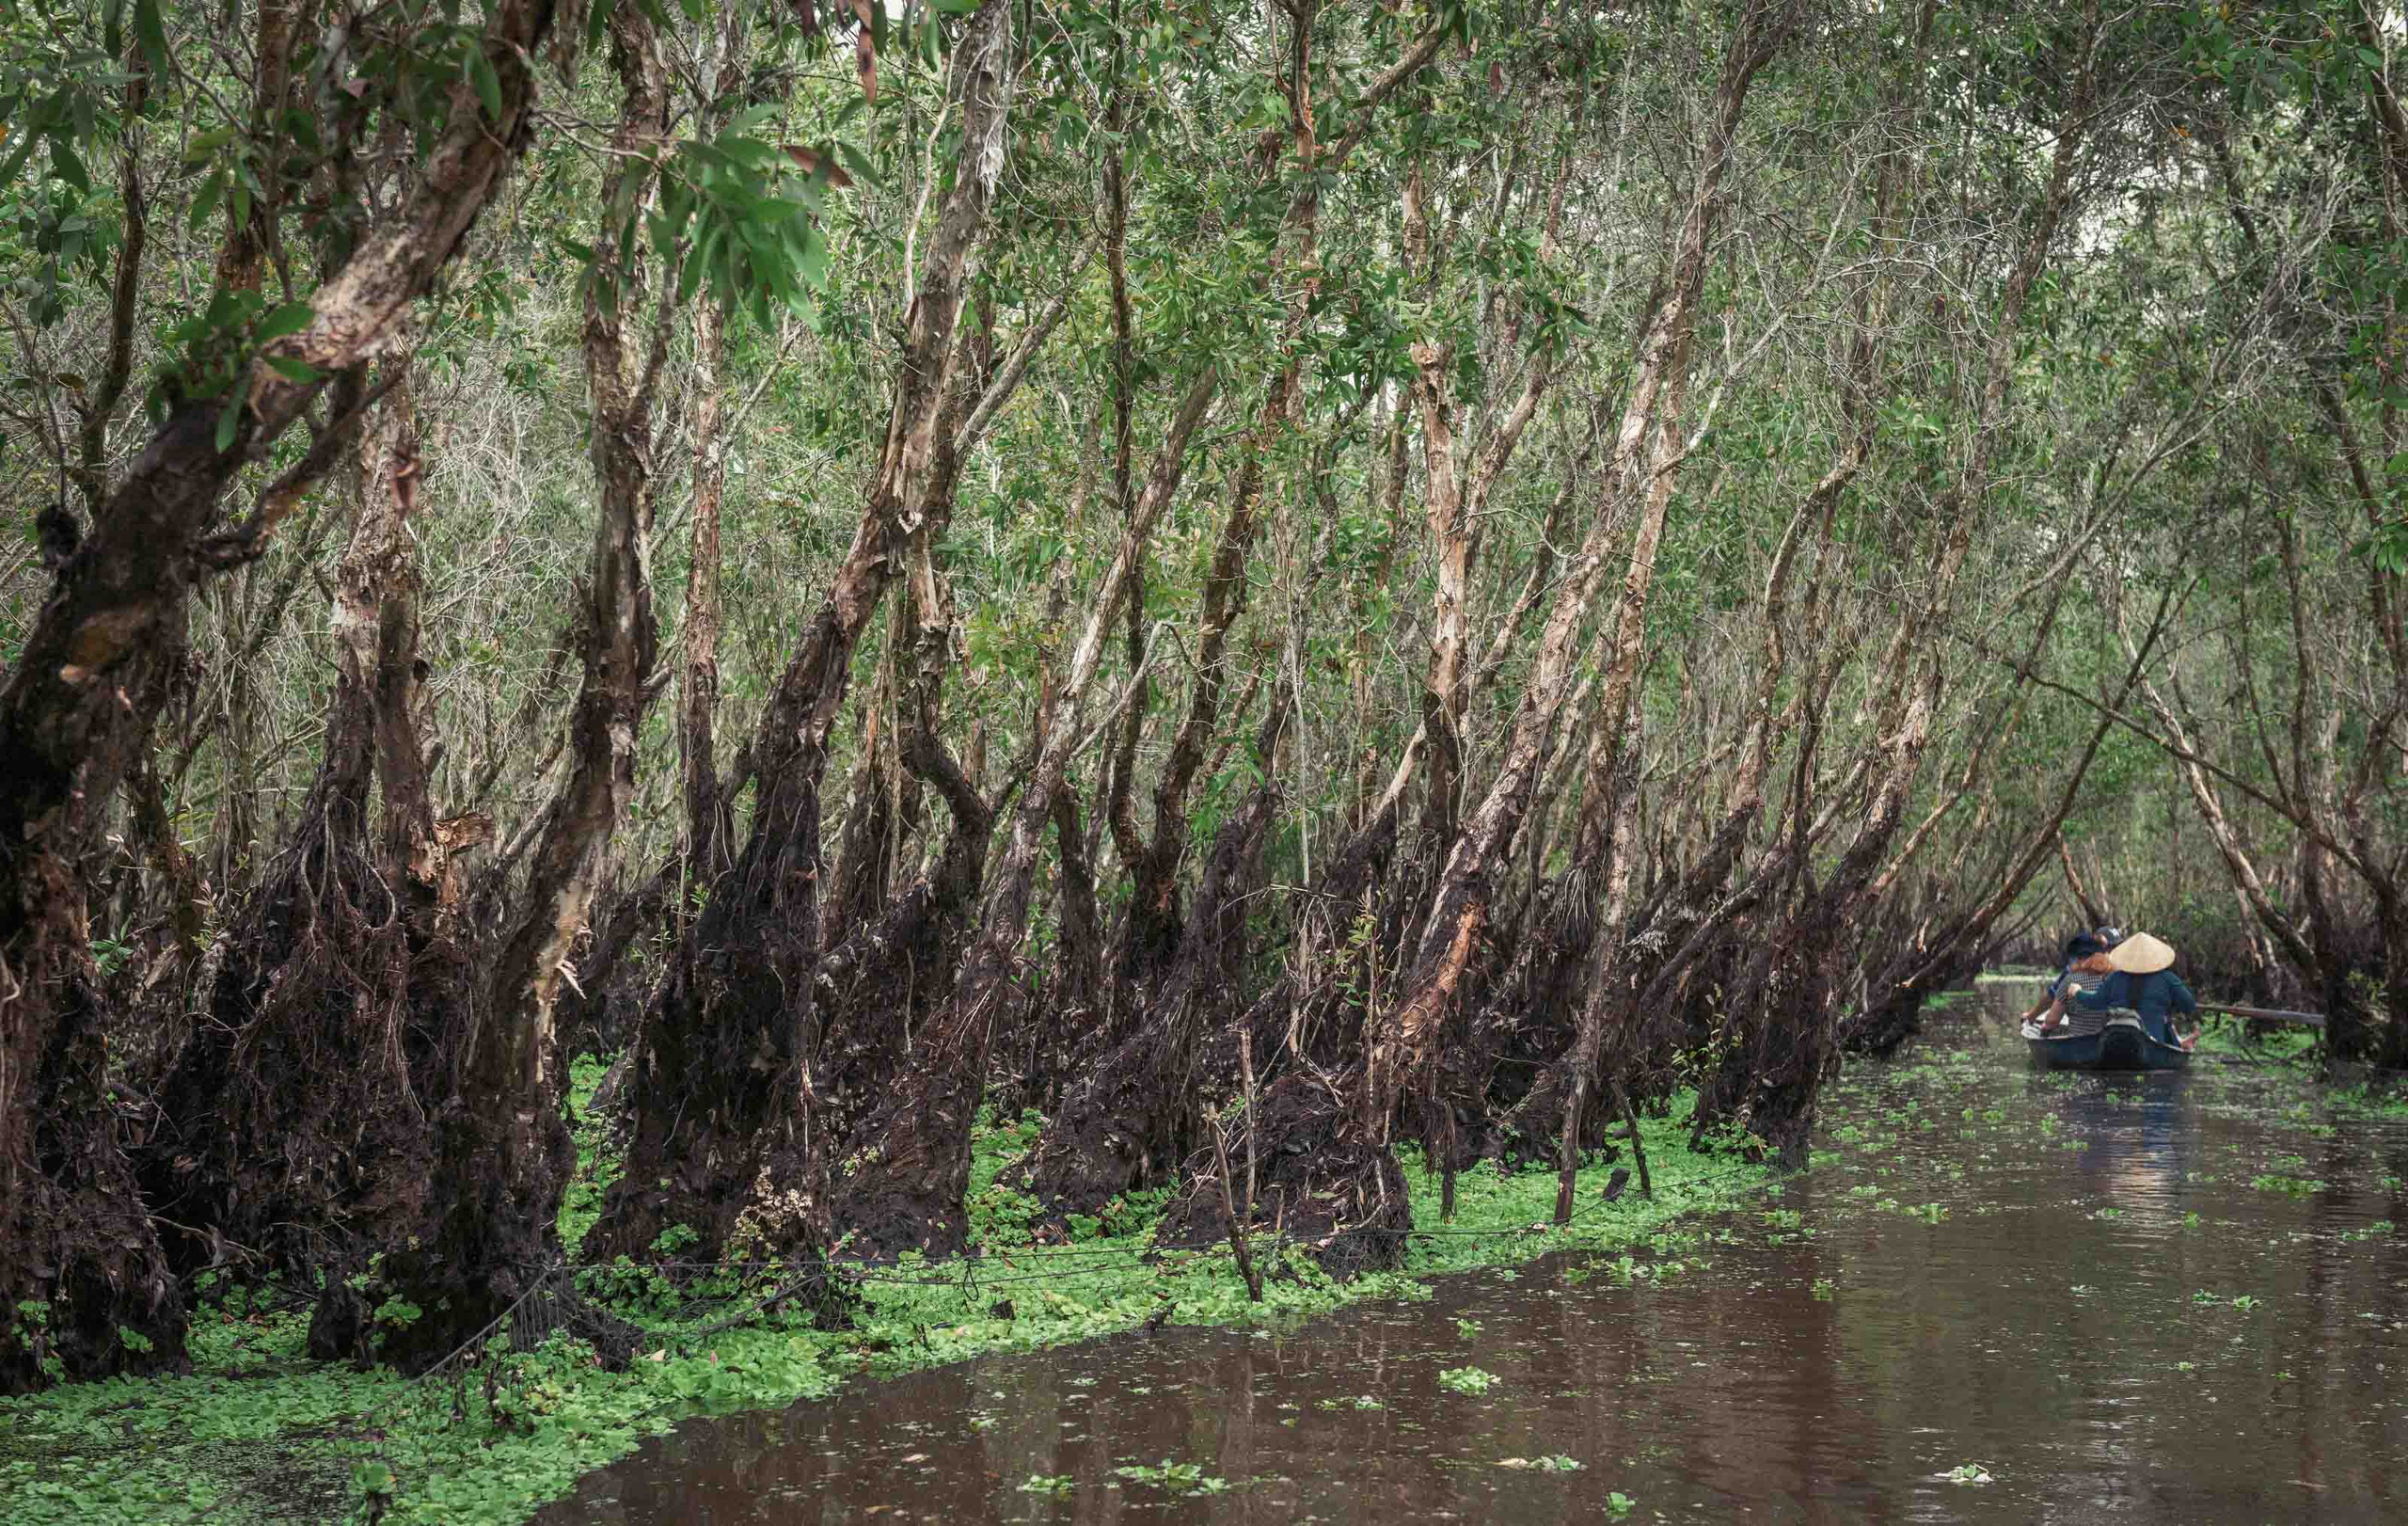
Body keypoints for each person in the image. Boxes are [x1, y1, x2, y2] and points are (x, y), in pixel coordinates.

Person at [2041, 930, 2199, 1046]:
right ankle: (2180, 1044)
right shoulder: (2168, 978)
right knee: (2165, 1025)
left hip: (2117, 1041)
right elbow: (2189, 1005)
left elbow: (2095, 1002)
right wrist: (2168, 1003)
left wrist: (2077, 992)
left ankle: (2180, 1042)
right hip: (2155, 1041)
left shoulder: (2116, 978)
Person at [2019, 932, 2106, 1030]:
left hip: (2080, 1037)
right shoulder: (2112, 974)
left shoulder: (2070, 978)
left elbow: (2052, 1019)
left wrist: (2033, 1018)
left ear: (2078, 958)